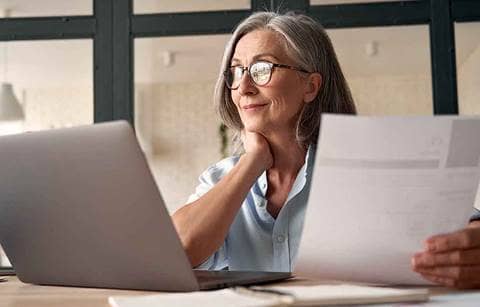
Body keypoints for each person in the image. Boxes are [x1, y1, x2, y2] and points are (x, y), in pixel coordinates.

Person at [172, 11, 480, 289]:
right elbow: (177, 254)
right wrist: (252, 161)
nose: (244, 87)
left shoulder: (367, 166)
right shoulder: (219, 179)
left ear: (310, 86)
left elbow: (465, 225)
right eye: (237, 72)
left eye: (262, 68)